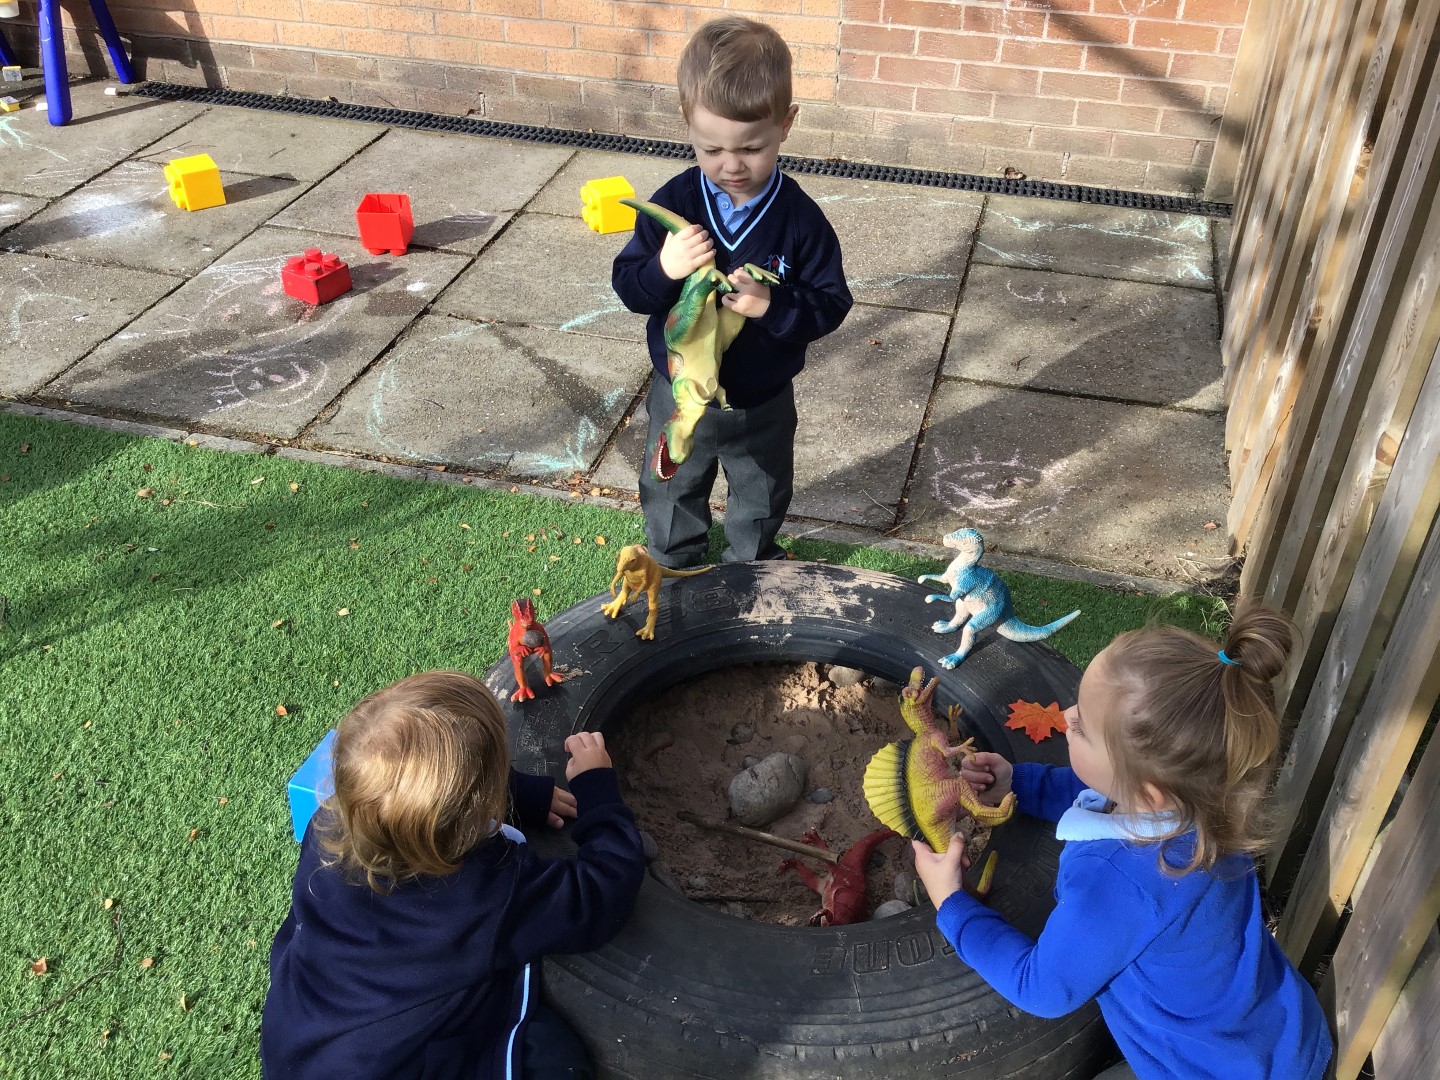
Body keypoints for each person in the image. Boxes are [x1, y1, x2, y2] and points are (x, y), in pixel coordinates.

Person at [912, 607, 1334, 1079]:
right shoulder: (1210, 803)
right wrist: (1020, 784)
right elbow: (1106, 793)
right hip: (1277, 1032)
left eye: (1082, 728)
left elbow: (1043, 990)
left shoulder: (1119, 882)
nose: (1067, 714)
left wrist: (952, 904)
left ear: (1147, 789)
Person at [260, 671, 645, 1079]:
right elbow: (603, 892)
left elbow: (430, 796)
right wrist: (597, 788)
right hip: (395, 1069)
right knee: (553, 1055)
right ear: (479, 805)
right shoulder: (490, 890)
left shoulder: (330, 824)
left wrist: (527, 794)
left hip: (297, 1044)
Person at [612, 15, 853, 569]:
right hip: (678, 395)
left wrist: (771, 306)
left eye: (751, 147)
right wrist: (665, 269)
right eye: (712, 149)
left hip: (762, 398)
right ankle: (674, 566)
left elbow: (831, 301)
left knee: (762, 490)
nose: (731, 165)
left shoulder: (799, 220)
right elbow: (629, 287)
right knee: (671, 488)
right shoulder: (673, 205)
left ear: (786, 125)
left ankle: (755, 564)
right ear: (687, 124)